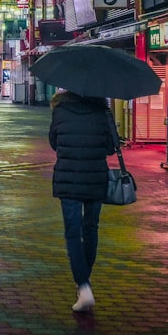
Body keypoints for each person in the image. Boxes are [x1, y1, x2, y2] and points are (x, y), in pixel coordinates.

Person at [48, 90, 113, 313]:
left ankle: (83, 286)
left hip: (68, 179)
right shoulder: (103, 111)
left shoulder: (61, 112)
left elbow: (54, 142)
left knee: (73, 234)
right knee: (91, 229)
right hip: (96, 179)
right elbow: (112, 147)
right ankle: (84, 282)